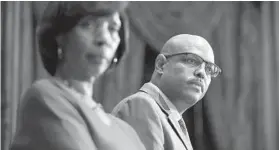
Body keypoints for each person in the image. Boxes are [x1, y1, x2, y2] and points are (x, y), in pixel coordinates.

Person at [10, 2, 146, 150]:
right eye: (87, 25)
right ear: (59, 36)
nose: (104, 39)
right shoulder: (46, 97)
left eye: (112, 28)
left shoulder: (125, 130)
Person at [112, 34, 222, 150]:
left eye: (209, 69)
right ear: (161, 65)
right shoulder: (142, 105)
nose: (202, 73)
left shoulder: (171, 118)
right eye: (191, 60)